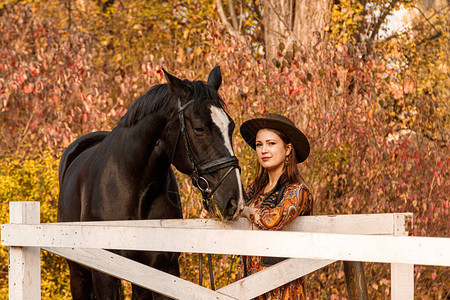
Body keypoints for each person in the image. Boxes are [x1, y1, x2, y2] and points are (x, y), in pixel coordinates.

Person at [238, 113, 313, 300]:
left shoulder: (298, 190)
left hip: (281, 286)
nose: (264, 150)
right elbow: (230, 207)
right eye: (259, 144)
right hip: (247, 285)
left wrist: (247, 211)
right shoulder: (253, 189)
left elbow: (273, 219)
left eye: (271, 143)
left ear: (287, 149)